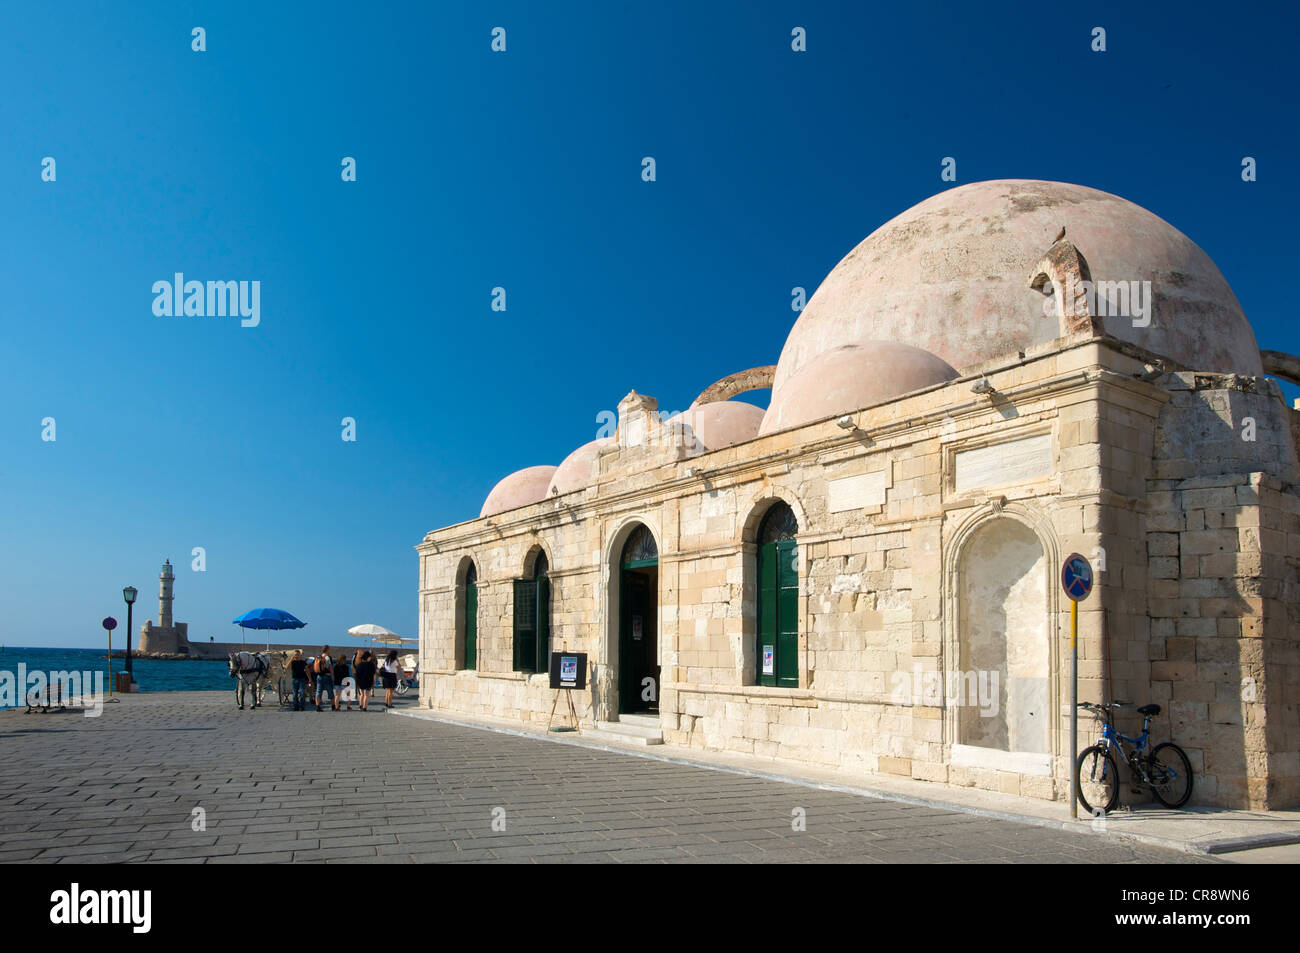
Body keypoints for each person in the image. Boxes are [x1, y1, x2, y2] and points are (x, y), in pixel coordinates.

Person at [314, 646, 334, 712]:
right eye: (329, 650)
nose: (330, 651)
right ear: (327, 650)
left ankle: (317, 706)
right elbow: (330, 667)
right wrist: (333, 675)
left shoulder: (318, 657)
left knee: (318, 691)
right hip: (326, 676)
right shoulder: (327, 657)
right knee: (330, 691)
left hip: (319, 676)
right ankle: (333, 706)